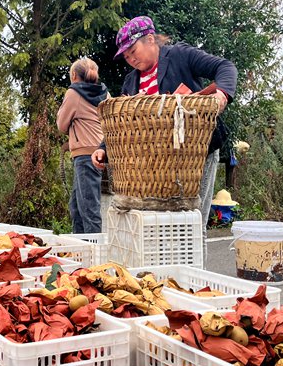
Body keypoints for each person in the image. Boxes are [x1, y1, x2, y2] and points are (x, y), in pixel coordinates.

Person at [91, 16, 238, 259]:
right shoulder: (131, 81)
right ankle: (167, 278)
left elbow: (225, 67)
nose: (130, 58)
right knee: (163, 222)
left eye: (132, 51)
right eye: (125, 56)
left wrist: (221, 95)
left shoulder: (180, 56)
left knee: (192, 221)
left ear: (150, 39)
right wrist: (103, 147)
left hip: (196, 152)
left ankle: (193, 281)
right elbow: (125, 121)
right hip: (160, 165)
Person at [57, 57, 109, 233]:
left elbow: (61, 125)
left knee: (88, 210)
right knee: (77, 208)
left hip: (85, 155)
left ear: (73, 75)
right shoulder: (105, 94)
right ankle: (81, 250)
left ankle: (95, 255)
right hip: (100, 151)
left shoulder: (74, 93)